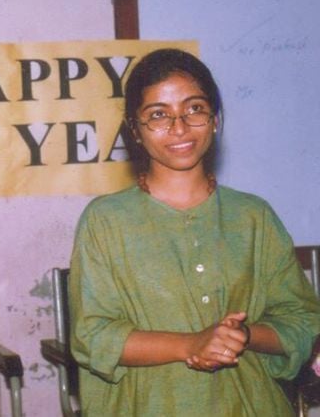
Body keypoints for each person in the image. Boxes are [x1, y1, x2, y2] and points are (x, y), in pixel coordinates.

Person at [68, 48, 320, 415]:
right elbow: (93, 337)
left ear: (215, 119)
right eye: (158, 115)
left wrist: (242, 336)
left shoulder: (253, 216)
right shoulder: (105, 221)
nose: (179, 127)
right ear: (134, 129)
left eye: (194, 109)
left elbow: (301, 320)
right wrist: (191, 345)